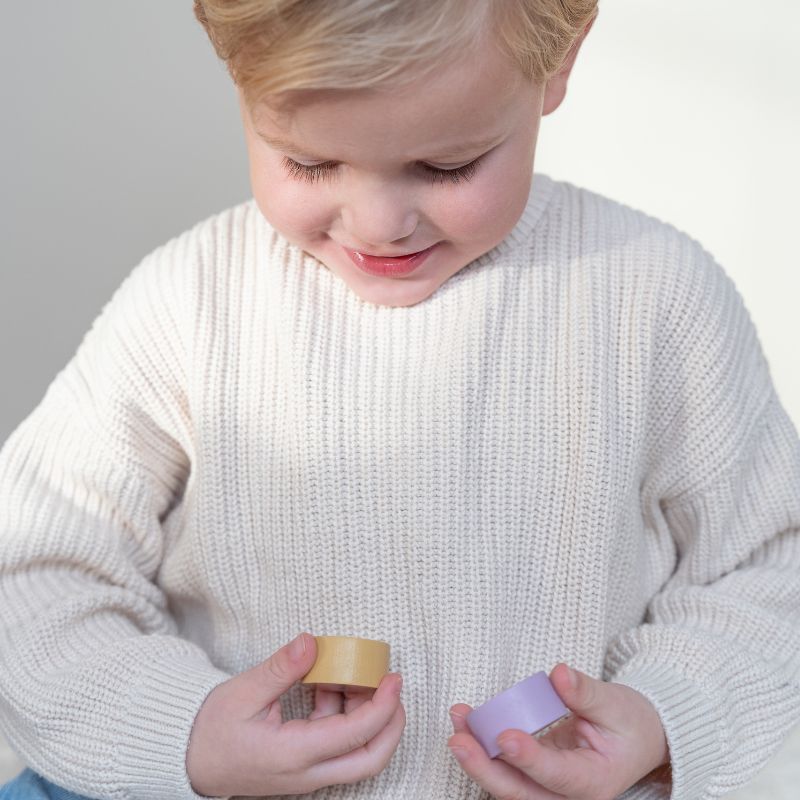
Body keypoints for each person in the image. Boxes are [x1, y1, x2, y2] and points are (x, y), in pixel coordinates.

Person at [1, 0, 799, 798]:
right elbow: (37, 569)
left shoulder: (656, 299)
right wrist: (178, 728)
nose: (379, 223)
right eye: (310, 164)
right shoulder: (187, 306)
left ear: (557, 62)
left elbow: (768, 566)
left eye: (447, 167)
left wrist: (667, 716)